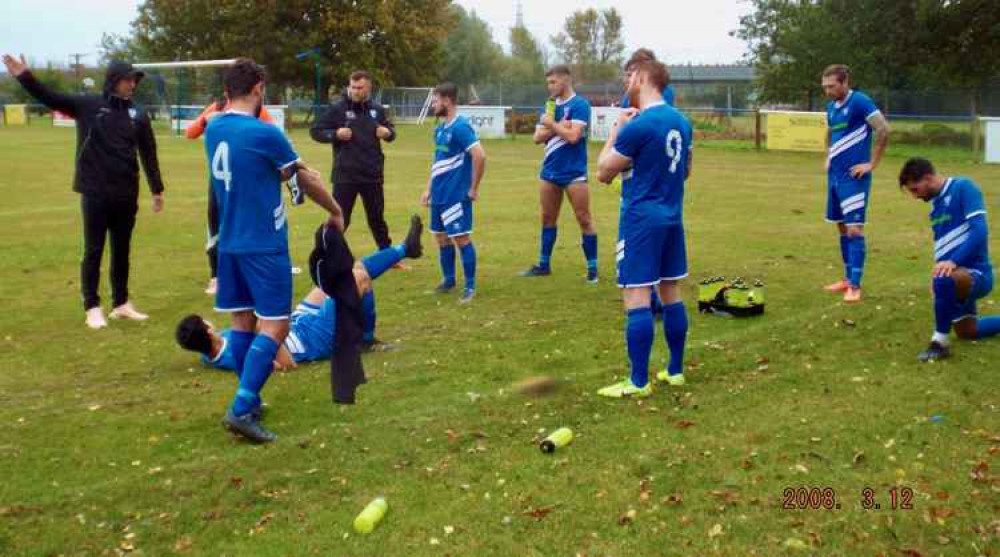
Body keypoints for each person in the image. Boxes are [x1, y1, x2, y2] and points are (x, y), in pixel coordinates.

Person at [205, 58, 344, 443]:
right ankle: (242, 407)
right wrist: (335, 211)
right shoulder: (266, 133)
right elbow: (303, 177)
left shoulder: (214, 130)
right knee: (276, 326)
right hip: (263, 243)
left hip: (229, 242)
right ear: (258, 89)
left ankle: (249, 399)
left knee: (242, 323)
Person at [2, 54, 165, 329]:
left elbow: (148, 152)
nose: (132, 85)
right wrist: (24, 76)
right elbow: (49, 96)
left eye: (134, 80)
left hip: (126, 194)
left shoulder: (138, 114)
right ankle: (92, 306)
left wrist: (156, 189)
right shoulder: (88, 105)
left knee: (121, 250)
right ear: (115, 80)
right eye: (128, 80)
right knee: (94, 250)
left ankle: (121, 303)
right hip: (95, 193)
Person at [177, 230, 424, 371]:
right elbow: (285, 364)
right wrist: (264, 324)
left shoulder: (211, 350)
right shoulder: (234, 357)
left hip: (298, 323)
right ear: (208, 332)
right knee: (357, 279)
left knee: (341, 274)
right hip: (313, 339)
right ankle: (366, 340)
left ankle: (405, 249)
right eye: (206, 322)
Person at [595, 59, 693, 397]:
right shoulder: (682, 122)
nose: (626, 83)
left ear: (641, 78)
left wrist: (615, 132)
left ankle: (638, 382)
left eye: (629, 76)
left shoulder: (639, 125)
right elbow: (686, 170)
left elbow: (603, 172)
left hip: (640, 219)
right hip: (672, 216)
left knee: (636, 294)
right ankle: (675, 370)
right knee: (671, 292)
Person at [897, 158, 1000, 361]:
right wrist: (937, 273)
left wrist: (951, 264)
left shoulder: (963, 187)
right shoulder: (936, 206)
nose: (915, 196)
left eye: (915, 189)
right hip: (955, 276)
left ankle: (939, 343)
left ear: (927, 178)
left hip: (977, 274)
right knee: (967, 331)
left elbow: (980, 230)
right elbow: (943, 246)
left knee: (944, 279)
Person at [186, 97, 275, 295]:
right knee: (215, 224)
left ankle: (248, 273)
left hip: (247, 180)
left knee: (247, 225)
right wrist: (205, 120)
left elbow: (274, 136)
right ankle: (216, 277)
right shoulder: (217, 106)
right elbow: (190, 132)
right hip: (220, 178)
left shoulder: (258, 110)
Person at [820, 64, 890, 303]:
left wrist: (871, 164)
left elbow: (883, 129)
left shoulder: (860, 101)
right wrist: (829, 155)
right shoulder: (831, 107)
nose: (827, 91)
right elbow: (830, 133)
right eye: (825, 87)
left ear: (844, 82)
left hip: (854, 177)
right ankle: (847, 279)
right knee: (840, 226)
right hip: (835, 176)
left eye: (831, 86)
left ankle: (856, 286)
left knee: (854, 229)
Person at [522, 65, 598, 282]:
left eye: (553, 82)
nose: (550, 86)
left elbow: (574, 137)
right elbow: (537, 138)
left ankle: (592, 270)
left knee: (584, 218)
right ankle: (544, 265)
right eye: (548, 82)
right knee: (547, 218)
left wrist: (552, 125)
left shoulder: (580, 105)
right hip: (550, 171)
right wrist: (558, 126)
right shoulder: (550, 106)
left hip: (574, 172)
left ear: (565, 80)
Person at [310, 70, 397, 251]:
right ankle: (325, 254)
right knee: (340, 217)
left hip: (372, 173)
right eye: (353, 87)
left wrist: (387, 133)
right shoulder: (338, 108)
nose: (356, 91)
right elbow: (316, 131)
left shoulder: (377, 110)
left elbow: (391, 132)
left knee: (376, 217)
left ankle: (387, 255)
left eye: (360, 87)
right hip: (345, 175)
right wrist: (335, 134)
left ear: (369, 88)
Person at [420, 83, 486, 304]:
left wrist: (473, 188)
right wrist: (428, 188)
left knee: (461, 238)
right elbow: (437, 162)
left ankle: (470, 286)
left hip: (455, 195)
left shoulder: (460, 127)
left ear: (447, 100)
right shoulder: (440, 128)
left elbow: (480, 156)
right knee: (440, 237)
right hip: (439, 195)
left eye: (436, 100)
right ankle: (448, 280)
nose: (433, 105)